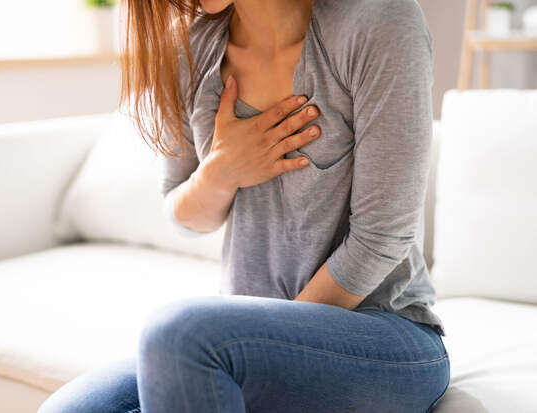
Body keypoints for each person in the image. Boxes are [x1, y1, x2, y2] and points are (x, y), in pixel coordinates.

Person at [37, 0, 451, 412]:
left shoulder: (379, 20)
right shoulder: (189, 50)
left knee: (179, 335)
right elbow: (184, 214)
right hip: (242, 341)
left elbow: (382, 237)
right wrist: (220, 172)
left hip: (383, 334)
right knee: (70, 410)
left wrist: (272, 346)